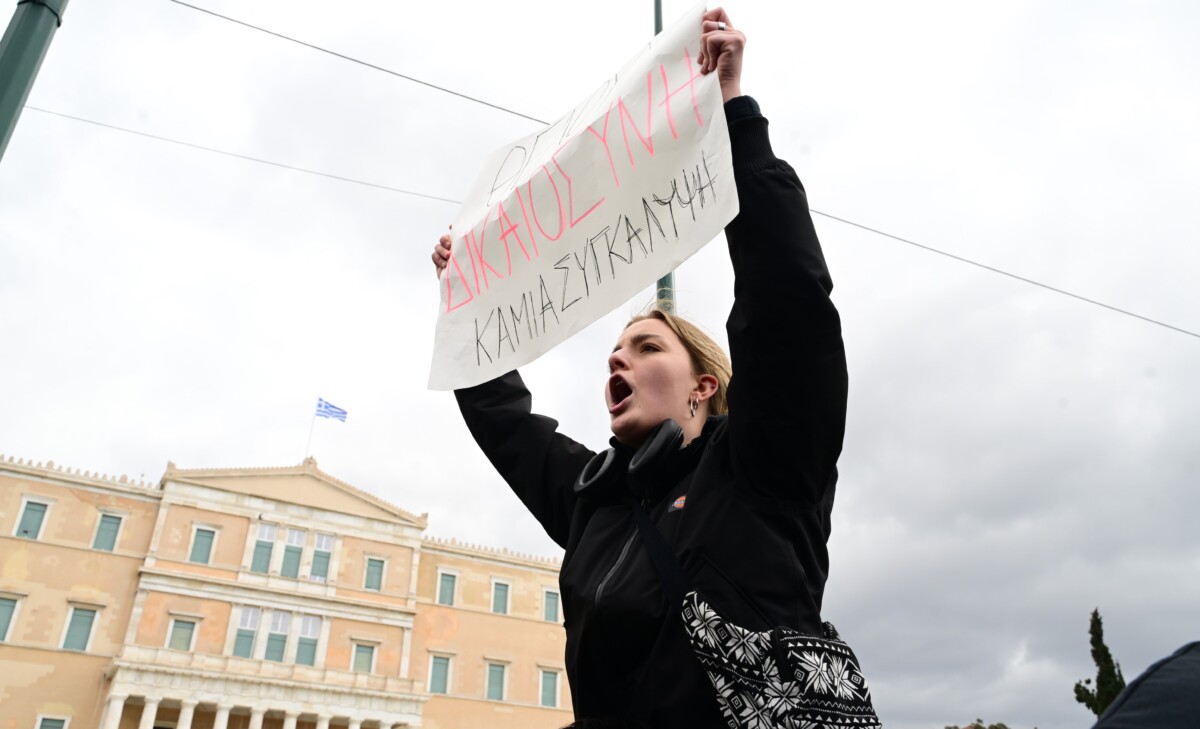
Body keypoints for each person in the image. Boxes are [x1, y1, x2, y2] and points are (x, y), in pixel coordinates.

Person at [432, 8, 848, 727]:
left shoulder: (763, 470)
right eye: (615, 351)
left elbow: (789, 303)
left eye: (649, 346)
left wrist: (734, 114)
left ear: (705, 385)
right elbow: (504, 421)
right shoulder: (594, 500)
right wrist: (466, 301)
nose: (619, 356)